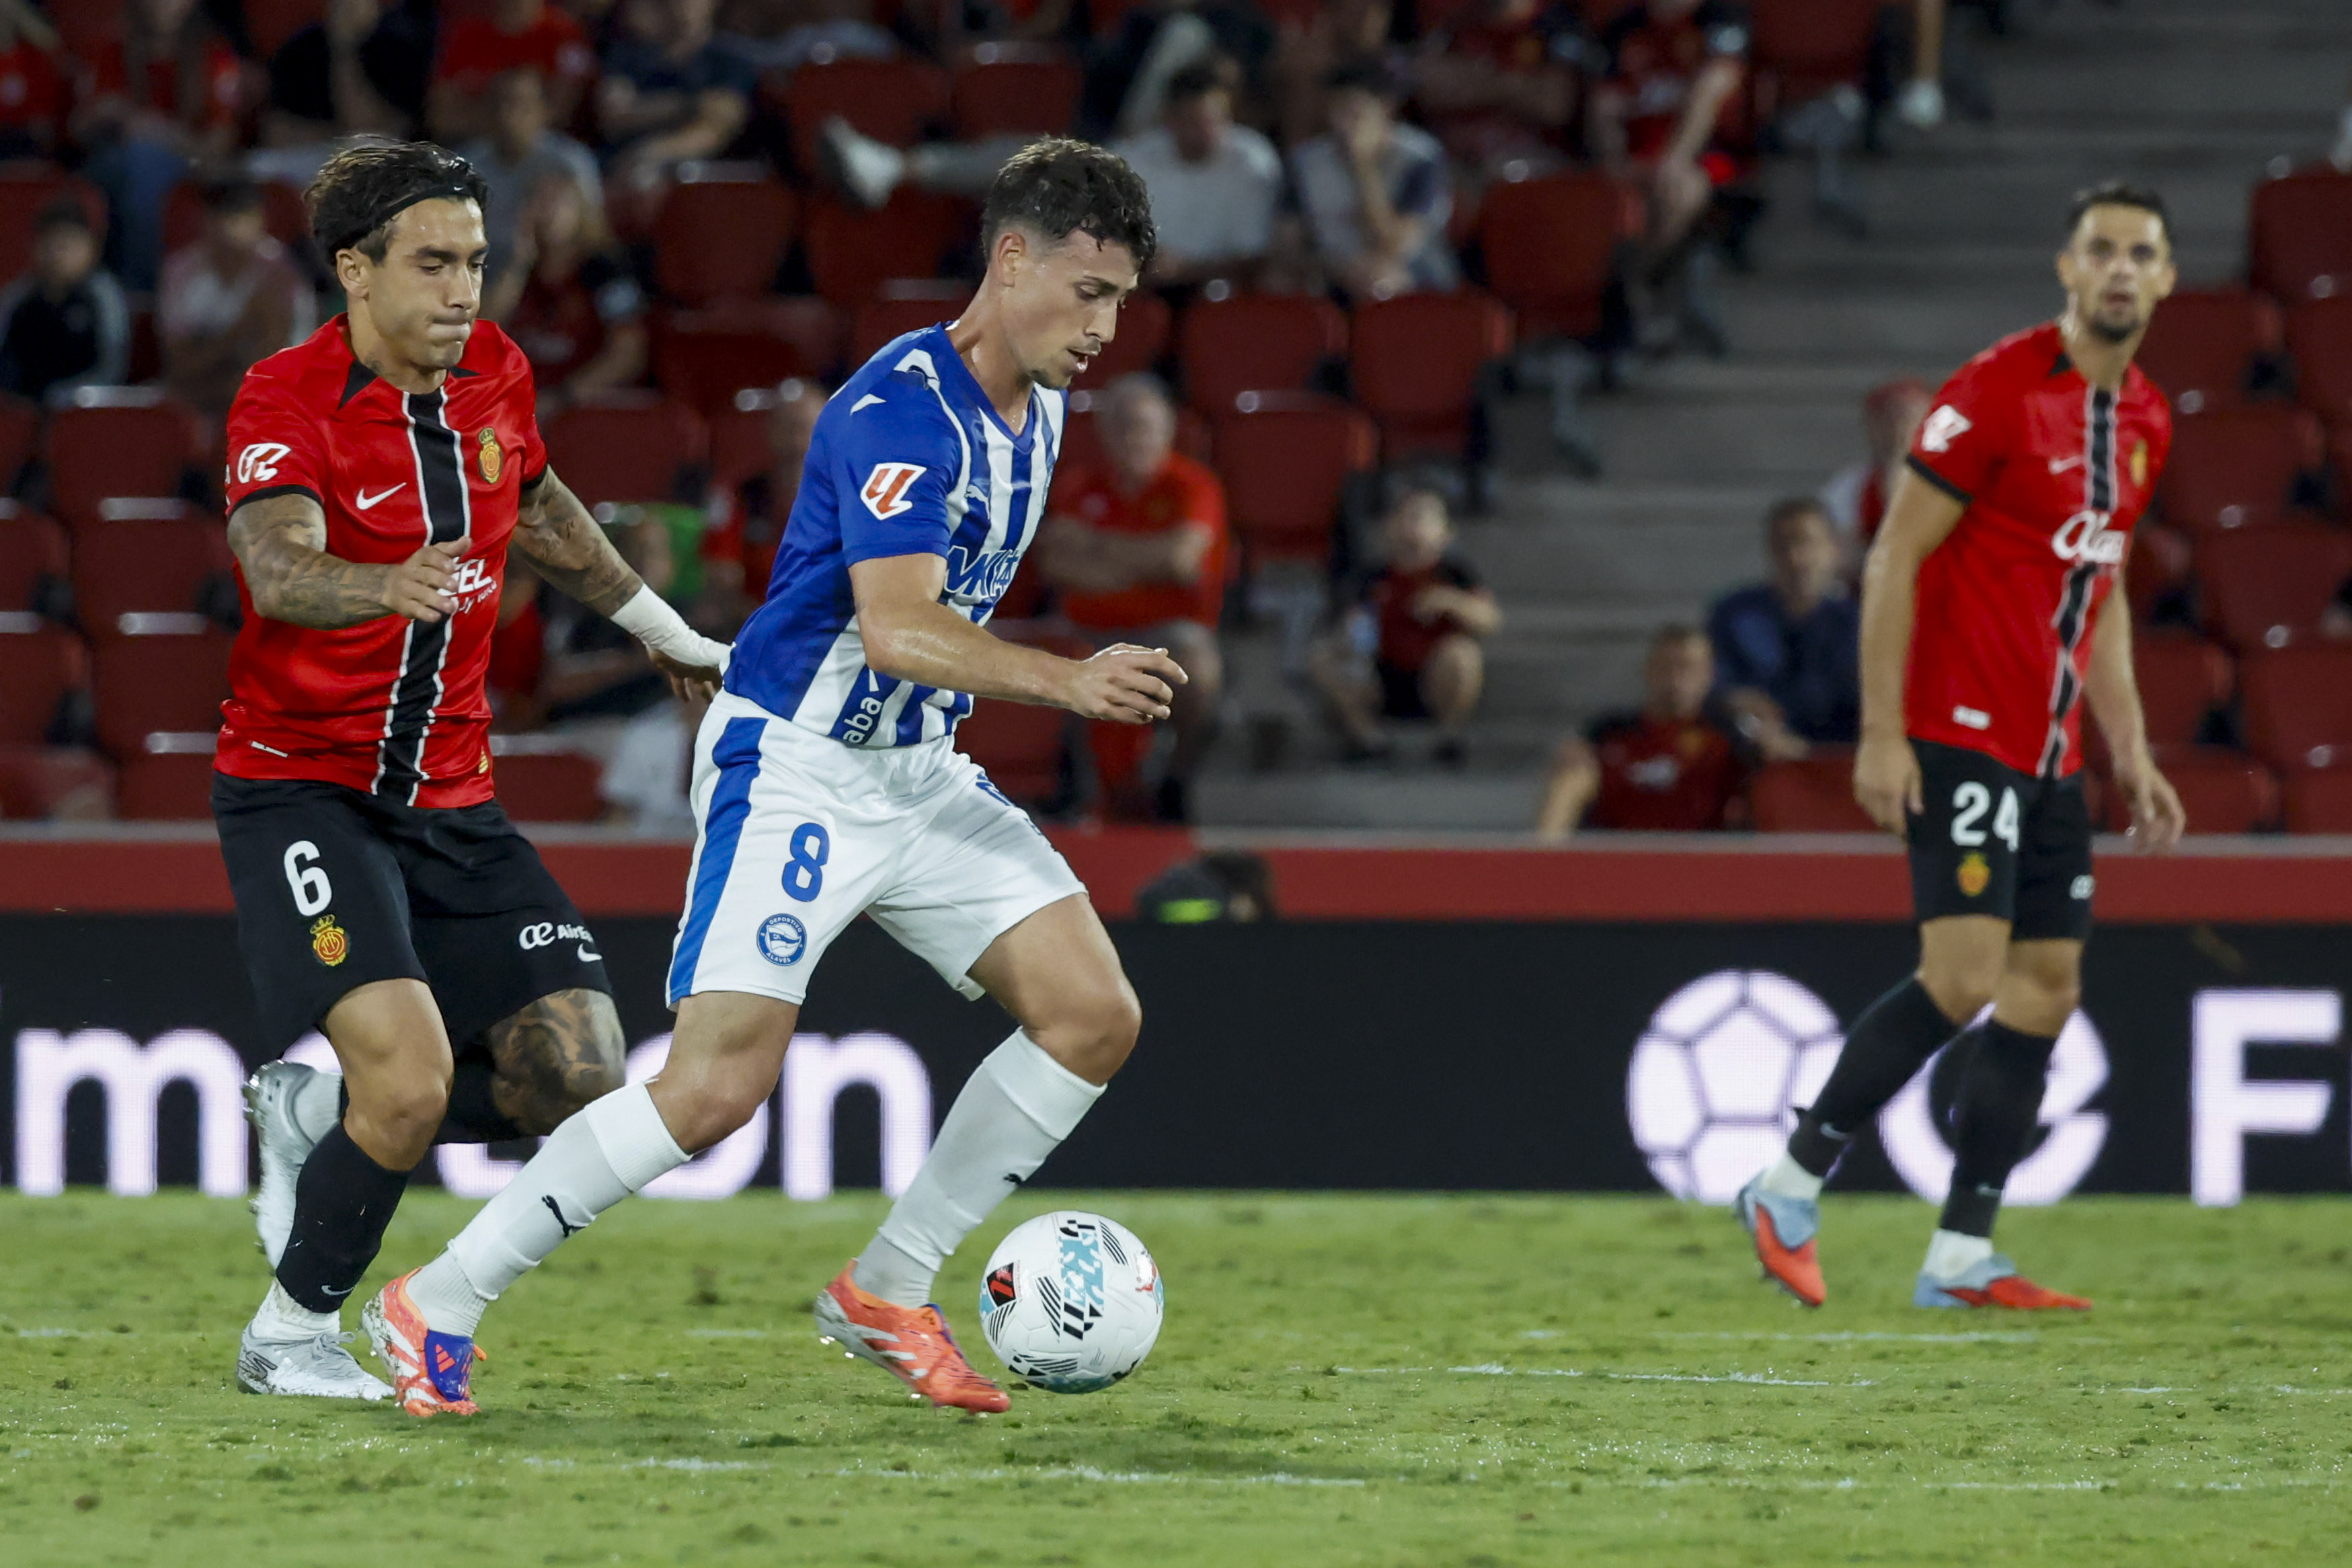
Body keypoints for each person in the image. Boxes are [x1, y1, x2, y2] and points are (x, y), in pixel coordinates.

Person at [361, 138, 1179, 1420]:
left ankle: (887, 1288)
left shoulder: (1048, 408)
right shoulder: (894, 408)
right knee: (711, 1091)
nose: (1105, 324)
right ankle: (438, 1297)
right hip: (798, 764)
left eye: (1121, 298)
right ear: (1010, 257)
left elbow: (920, 651)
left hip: (915, 767)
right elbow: (902, 628)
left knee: (1092, 1014)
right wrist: (1070, 679)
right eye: (1088, 290)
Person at [216, 141, 728, 1401]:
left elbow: (542, 508)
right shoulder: (283, 400)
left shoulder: (494, 372)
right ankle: (289, 1335)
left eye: (477, 263)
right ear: (354, 270)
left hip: (453, 797)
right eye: (434, 263)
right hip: (303, 787)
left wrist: (662, 629)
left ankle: (305, 1117)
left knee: (583, 1073)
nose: (463, 291)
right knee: (409, 1078)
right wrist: (377, 581)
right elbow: (274, 567)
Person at [1734, 183, 2187, 1314]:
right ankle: (1786, 1184)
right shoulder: (1993, 391)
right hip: (1959, 728)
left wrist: (2126, 747)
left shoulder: (2144, 421)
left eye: (2141, 253)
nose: (2120, 269)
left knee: (2044, 986)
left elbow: (2104, 585)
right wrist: (1882, 733)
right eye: (2101, 251)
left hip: (2049, 753)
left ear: (2166, 278)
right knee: (1964, 974)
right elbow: (1891, 557)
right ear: (2065, 268)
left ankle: (1959, 1255)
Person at [1041, 373, 1224, 821]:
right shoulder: (1078, 485)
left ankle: (1176, 780)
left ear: (1167, 430)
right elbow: (1055, 563)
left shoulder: (1193, 486)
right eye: (1123, 424)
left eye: (1145, 426)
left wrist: (1097, 547)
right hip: (1085, 627)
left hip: (1169, 632)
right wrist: (1146, 563)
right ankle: (1063, 788)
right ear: (1105, 431)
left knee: (1198, 672)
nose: (1134, 437)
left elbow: (1181, 561)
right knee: (1034, 657)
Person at [1587, 0, 1747, 352]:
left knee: (1676, 192)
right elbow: (1605, 102)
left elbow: (1717, 84)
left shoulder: (1718, 18)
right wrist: (1613, 159)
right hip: (1637, 154)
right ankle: (1632, 296)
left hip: (1709, 156)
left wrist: (1675, 158)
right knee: (1604, 197)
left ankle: (1635, 285)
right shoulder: (1625, 27)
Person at [1308, 486, 1499, 765]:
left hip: (1432, 679)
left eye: (1422, 518)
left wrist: (1450, 602)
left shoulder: (1456, 575)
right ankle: (1368, 739)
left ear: (1445, 533)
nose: (1413, 527)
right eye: (1406, 517)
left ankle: (1451, 736)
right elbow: (1345, 627)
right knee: (1323, 656)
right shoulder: (1371, 578)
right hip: (1379, 677)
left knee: (1464, 655)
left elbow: (1490, 619)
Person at [71, 0, 247, 292]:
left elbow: (218, 145)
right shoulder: (112, 46)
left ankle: (141, 288)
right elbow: (77, 129)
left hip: (190, 163)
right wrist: (108, 115)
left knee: (146, 161)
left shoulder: (213, 54)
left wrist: (157, 132)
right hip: (111, 163)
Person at [1533, 624, 1743, 837]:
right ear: (1648, 670)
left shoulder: (1727, 735)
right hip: (1616, 855)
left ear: (1709, 675)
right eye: (1666, 666)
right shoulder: (1609, 733)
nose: (1676, 677)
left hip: (1700, 857)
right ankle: (1541, 862)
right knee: (1571, 774)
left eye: (1687, 667)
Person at [1290, 59, 1459, 299]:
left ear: (1385, 109)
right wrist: (1333, 268)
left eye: (1354, 112)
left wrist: (1362, 168)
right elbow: (1288, 242)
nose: (1342, 125)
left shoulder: (1421, 158)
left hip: (1411, 271)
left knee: (1378, 282)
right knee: (1281, 283)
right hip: (1332, 270)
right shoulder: (1306, 161)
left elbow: (1394, 244)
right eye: (1337, 110)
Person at [1705, 498, 1859, 757]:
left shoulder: (1859, 620)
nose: (1796, 558)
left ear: (1833, 548)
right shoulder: (1734, 615)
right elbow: (1717, 682)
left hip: (1839, 759)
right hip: (1756, 754)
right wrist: (1740, 705)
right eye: (1783, 545)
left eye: (1807, 542)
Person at [483, 169, 649, 409]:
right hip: (517, 401)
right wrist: (518, 263)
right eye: (538, 200)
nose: (548, 209)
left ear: (581, 210)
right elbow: (480, 336)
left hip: (580, 405)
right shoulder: (517, 272)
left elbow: (628, 353)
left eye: (558, 200)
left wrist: (565, 397)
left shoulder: (606, 272)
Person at [1110, 61, 1283, 288]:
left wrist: (1188, 270)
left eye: (1217, 120)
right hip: (1146, 286)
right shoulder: (1131, 160)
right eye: (1196, 123)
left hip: (1224, 292)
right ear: (1170, 120)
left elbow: (1257, 257)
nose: (1208, 133)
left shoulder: (1253, 163)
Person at [160, 179, 316, 420]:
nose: (229, 227)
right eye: (221, 215)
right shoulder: (181, 271)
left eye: (240, 216)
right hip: (196, 396)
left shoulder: (282, 274)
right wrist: (240, 328)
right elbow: (180, 363)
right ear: (205, 219)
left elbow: (282, 363)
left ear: (259, 219)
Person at [459, 68, 605, 290]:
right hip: (482, 271)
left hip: (555, 267)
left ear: (544, 110)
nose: (508, 115)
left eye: (521, 104)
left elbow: (597, 233)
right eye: (500, 103)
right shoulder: (464, 167)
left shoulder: (569, 161)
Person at [699, 377, 824, 629]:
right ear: (770, 430)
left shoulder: (857, 497)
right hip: (754, 626)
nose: (795, 435)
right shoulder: (737, 494)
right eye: (786, 424)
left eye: (803, 425)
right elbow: (721, 574)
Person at [595, 0, 755, 183]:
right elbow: (614, 117)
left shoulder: (730, 61)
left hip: (695, 180)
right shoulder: (629, 55)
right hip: (616, 172)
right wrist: (693, 106)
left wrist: (654, 152)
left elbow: (720, 122)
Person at [0, 200, 129, 403]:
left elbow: (112, 368)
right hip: (20, 408)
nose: (57, 255)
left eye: (67, 245)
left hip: (83, 410)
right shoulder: (17, 297)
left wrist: (70, 396)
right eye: (50, 244)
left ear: (91, 249)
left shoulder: (104, 297)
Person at [263, 0, 436, 150]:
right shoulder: (303, 44)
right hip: (317, 157)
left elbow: (372, 130)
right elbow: (276, 133)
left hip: (390, 163)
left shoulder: (405, 38)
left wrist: (347, 49)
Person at [428, 0, 598, 141]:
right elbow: (442, 117)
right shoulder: (465, 36)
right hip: (475, 147)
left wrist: (514, 127)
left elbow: (564, 112)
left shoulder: (566, 34)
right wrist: (500, 126)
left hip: (548, 147)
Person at [1819, 377, 1930, 557]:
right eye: (1888, 420)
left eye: (1908, 418)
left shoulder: (1955, 483)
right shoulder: (1849, 488)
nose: (1898, 429)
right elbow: (1835, 556)